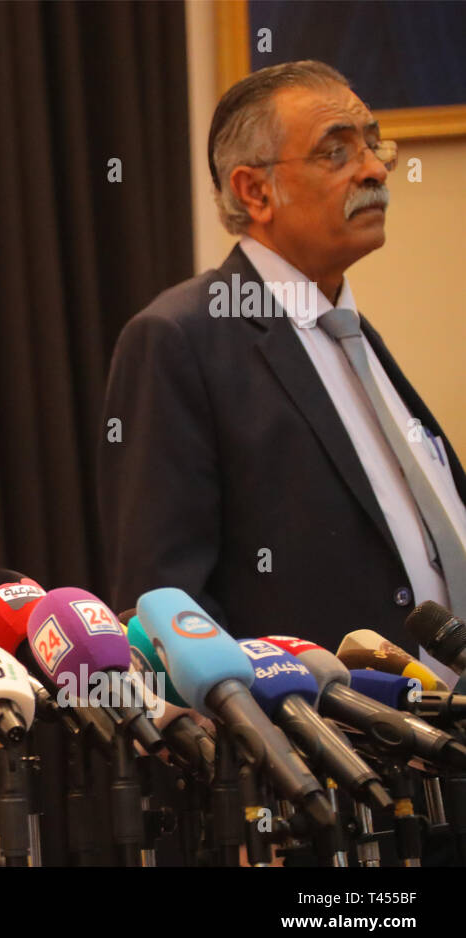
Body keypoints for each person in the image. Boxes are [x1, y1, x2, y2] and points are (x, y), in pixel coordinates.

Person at [99, 61, 466, 660]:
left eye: (374, 146)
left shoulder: (351, 332)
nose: (375, 170)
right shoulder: (178, 339)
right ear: (255, 190)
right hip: (325, 742)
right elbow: (163, 600)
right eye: (337, 152)